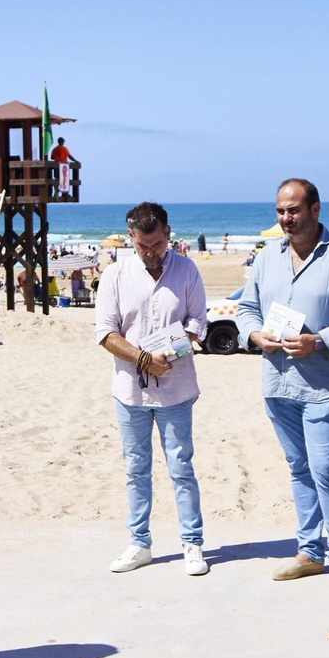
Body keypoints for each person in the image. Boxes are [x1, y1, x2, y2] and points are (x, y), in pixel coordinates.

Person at [236, 178, 329, 588]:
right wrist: (255, 335)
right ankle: (310, 552)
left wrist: (321, 340)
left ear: (315, 209)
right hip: (277, 382)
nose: (286, 218)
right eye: (280, 211)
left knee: (326, 466)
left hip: (324, 384)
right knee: (298, 467)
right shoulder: (266, 257)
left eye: (293, 210)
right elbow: (246, 307)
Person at [93, 202, 210, 576]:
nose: (150, 252)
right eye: (142, 245)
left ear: (168, 234)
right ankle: (139, 543)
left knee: (181, 467)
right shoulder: (115, 275)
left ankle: (192, 544)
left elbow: (197, 322)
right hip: (130, 390)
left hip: (176, 388)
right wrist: (144, 359)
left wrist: (169, 354)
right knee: (136, 469)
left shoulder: (186, 269)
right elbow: (105, 333)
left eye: (157, 244)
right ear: (130, 237)